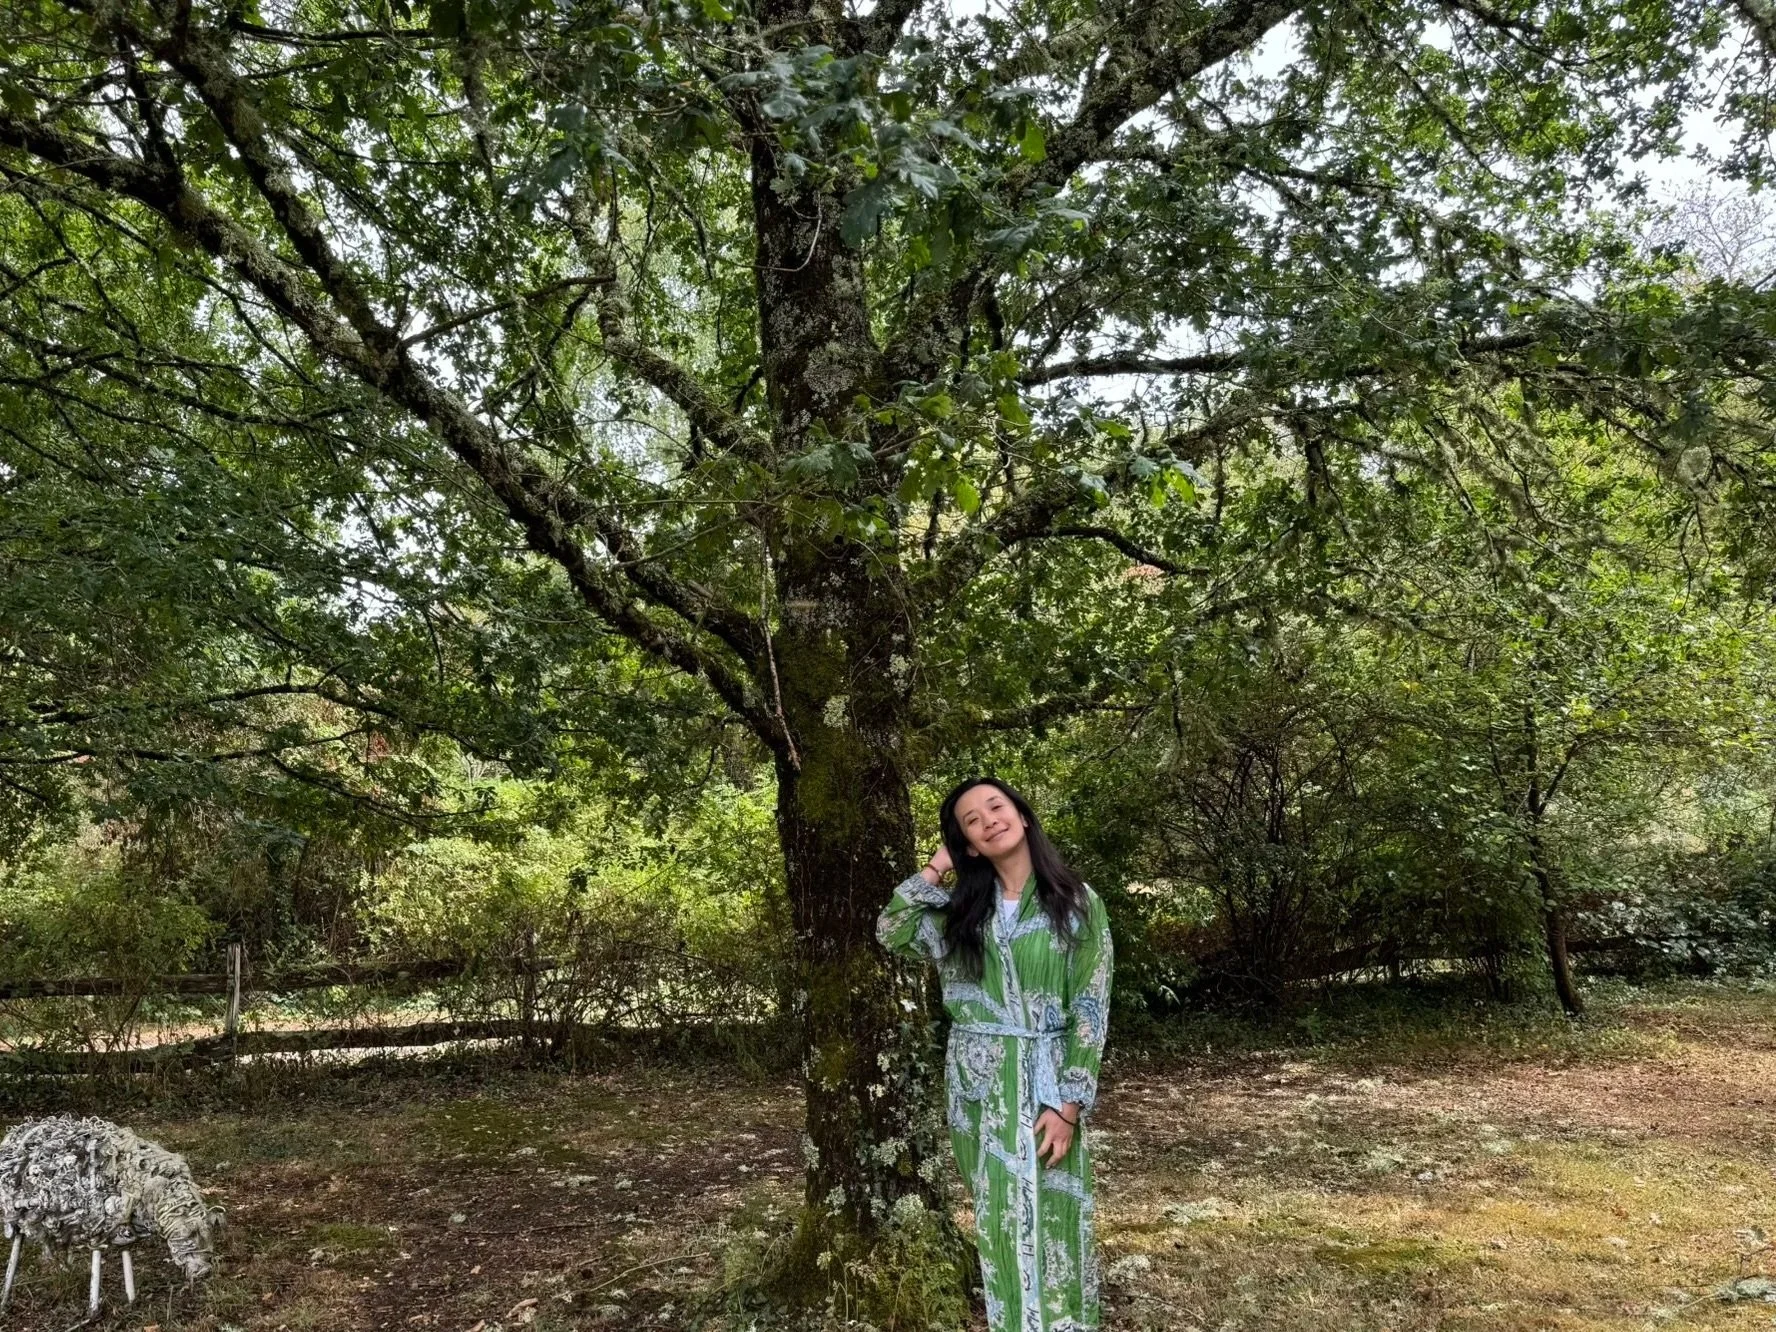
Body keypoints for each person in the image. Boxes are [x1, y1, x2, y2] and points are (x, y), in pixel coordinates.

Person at [876, 776, 1114, 1332]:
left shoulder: (1076, 903)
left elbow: (1090, 1005)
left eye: (996, 807)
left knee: (1056, 1217)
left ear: (1023, 815)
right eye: (971, 822)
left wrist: (1070, 1105)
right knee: (1001, 1222)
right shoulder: (962, 915)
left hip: (1048, 1084)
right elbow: (891, 930)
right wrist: (937, 868)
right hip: (977, 1087)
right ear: (968, 844)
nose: (988, 821)